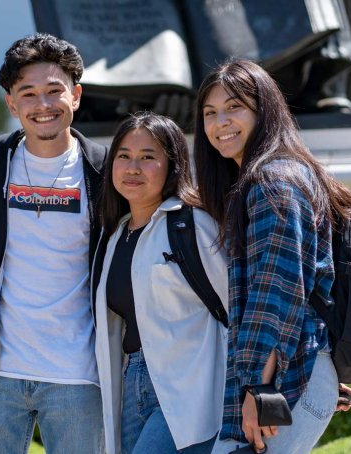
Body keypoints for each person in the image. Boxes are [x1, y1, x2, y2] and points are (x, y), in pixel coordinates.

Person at [193, 60, 351, 454]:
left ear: (263, 110)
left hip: (281, 382)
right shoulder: (282, 175)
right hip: (292, 372)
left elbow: (278, 294)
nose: (221, 123)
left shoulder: (273, 182)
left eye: (234, 107)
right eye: (210, 113)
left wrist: (260, 390)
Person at [0, 33, 108, 454]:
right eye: (28, 93)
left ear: (75, 96)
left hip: (79, 374)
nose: (42, 105)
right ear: (11, 103)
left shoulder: (106, 171)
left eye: (54, 91)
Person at [93, 112, 228, 454]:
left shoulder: (192, 225)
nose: (133, 167)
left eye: (148, 157)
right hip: (133, 381)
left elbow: (237, 307)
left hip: (190, 388)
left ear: (173, 165)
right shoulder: (114, 237)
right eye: (123, 156)